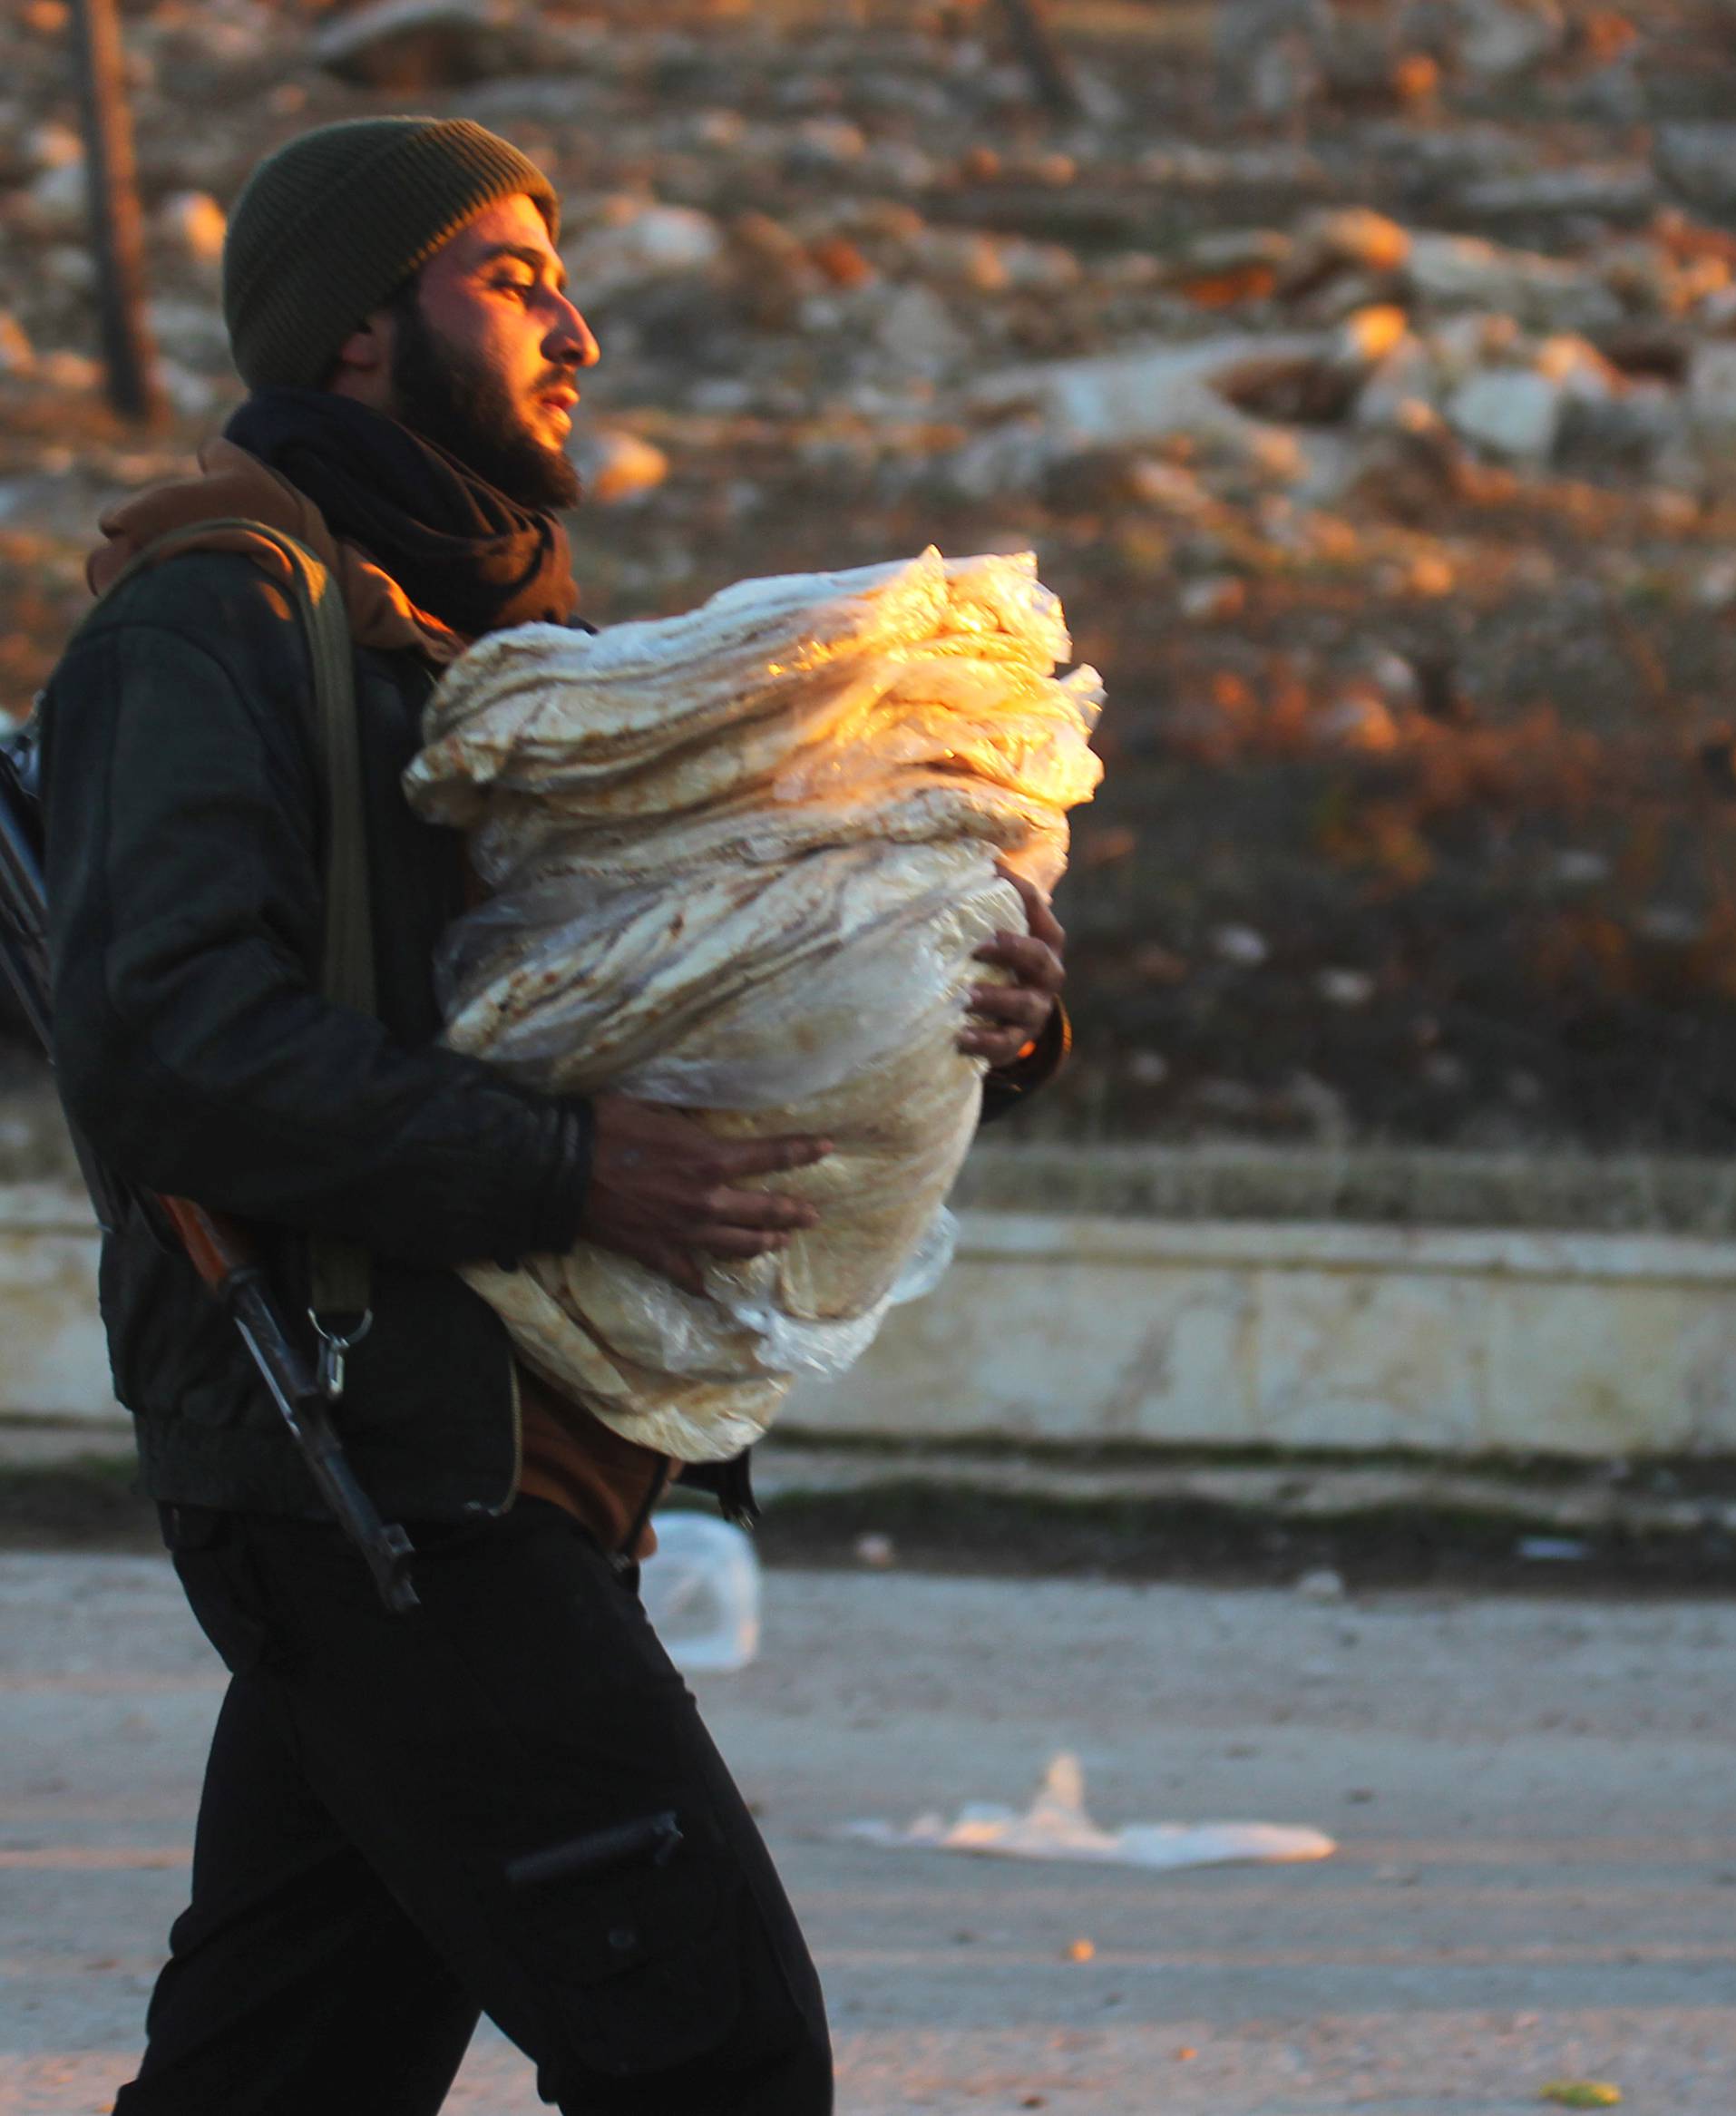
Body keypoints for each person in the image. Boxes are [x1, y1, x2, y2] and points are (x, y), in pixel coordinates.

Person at [38, 117, 1068, 2116]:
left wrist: (991, 1021)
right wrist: (566, 1170)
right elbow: (163, 1045)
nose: (574, 327)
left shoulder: (515, 656)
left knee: (282, 2083)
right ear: (355, 328)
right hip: (379, 1474)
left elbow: (683, 1010)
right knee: (720, 2059)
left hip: (509, 1462)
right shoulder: (211, 623)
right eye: (508, 278)